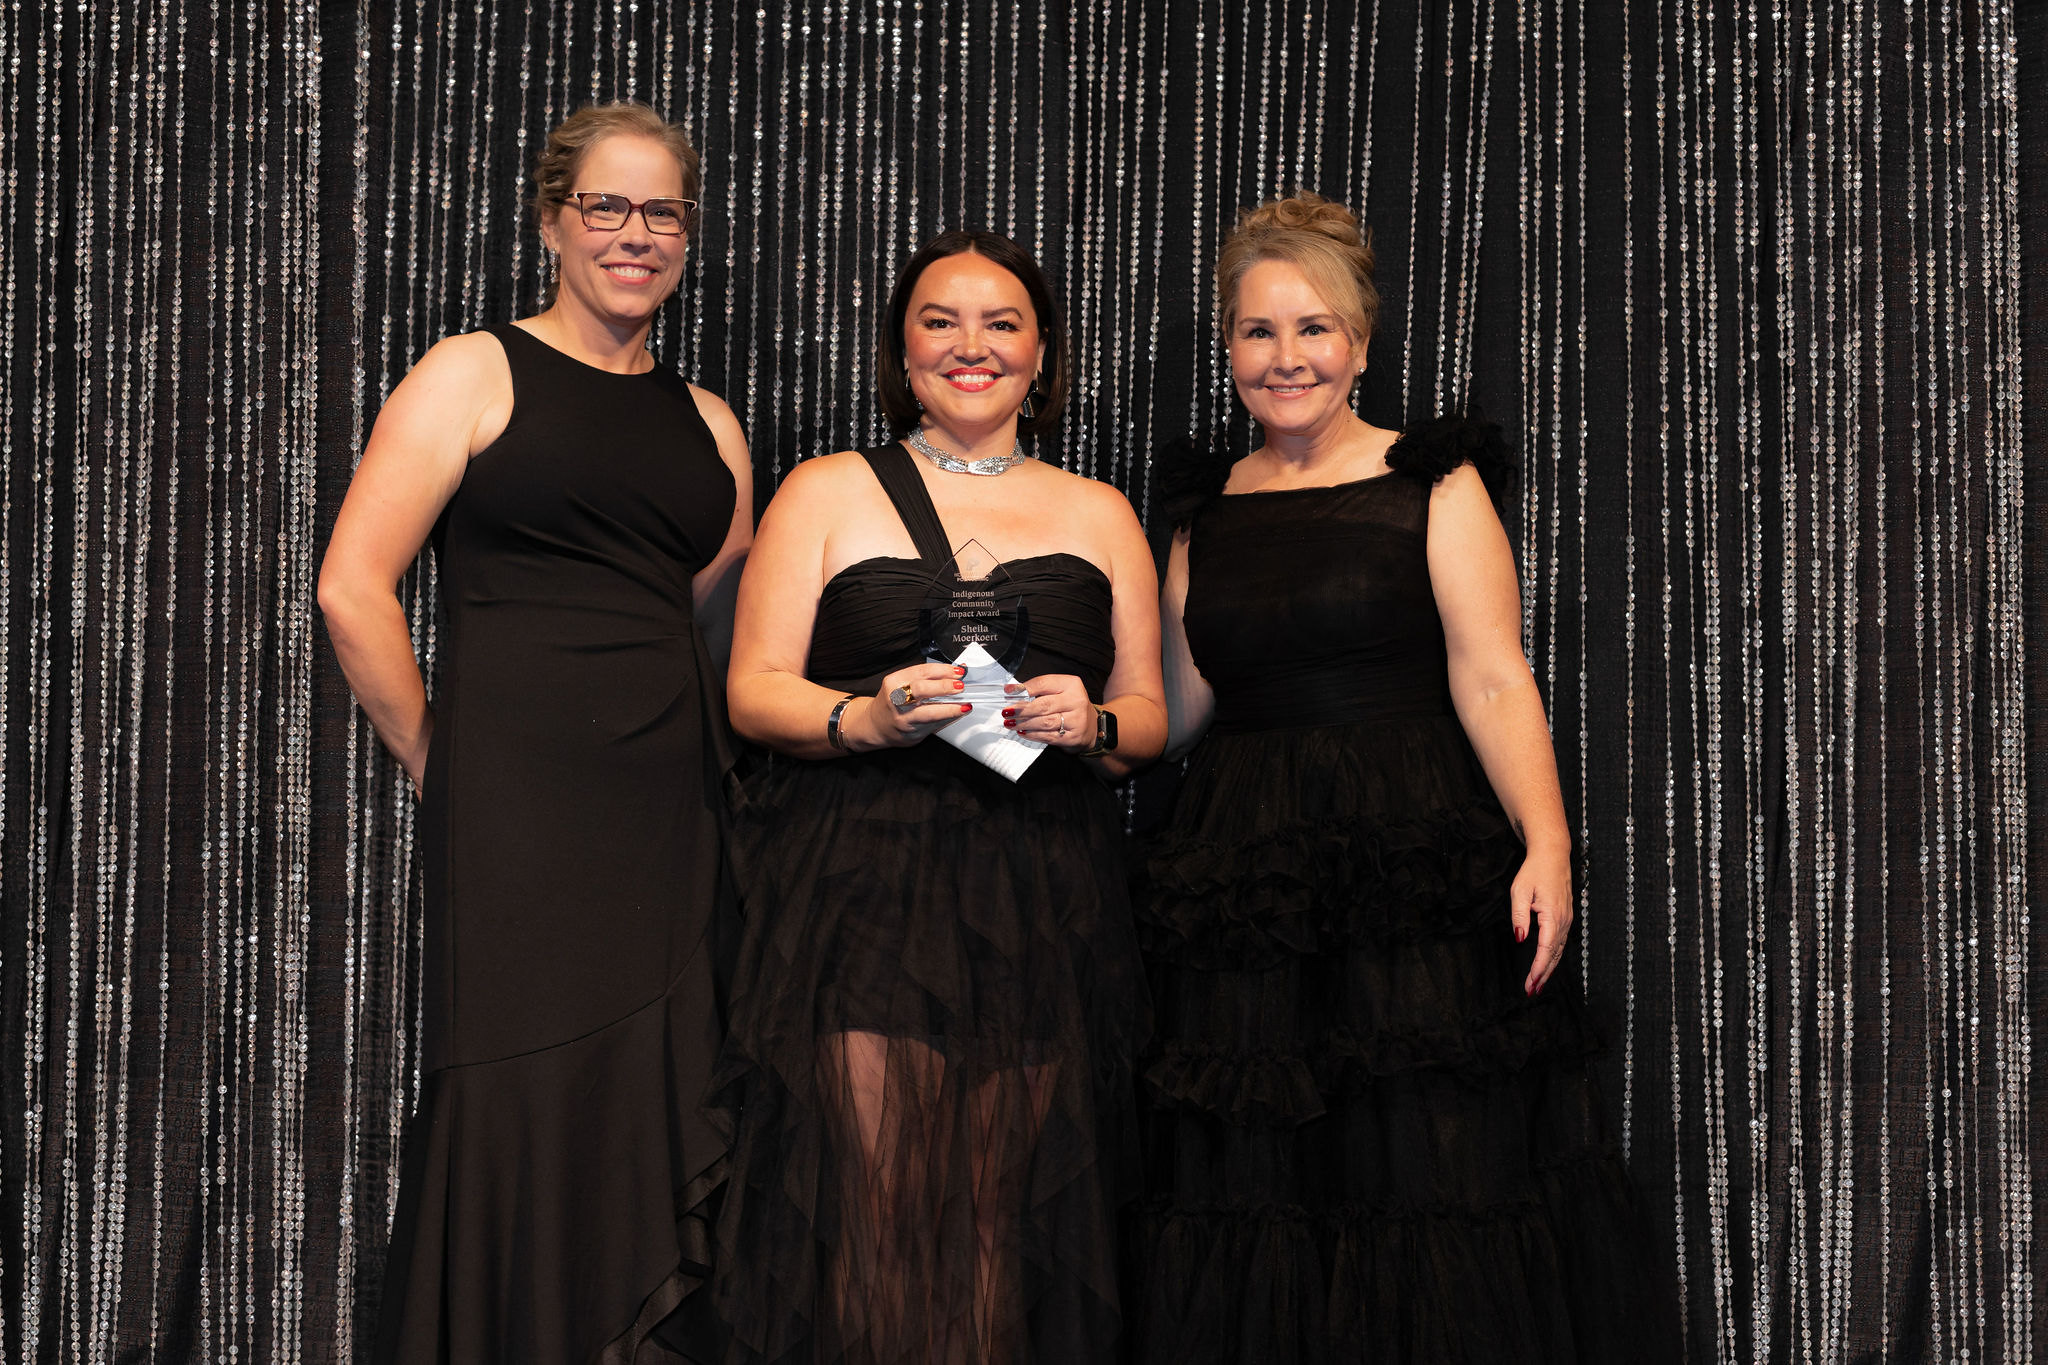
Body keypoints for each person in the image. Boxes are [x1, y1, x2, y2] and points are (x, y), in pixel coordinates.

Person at [1129, 193, 1678, 1363]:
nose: (1285, 359)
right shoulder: (1199, 509)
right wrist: (1062, 718)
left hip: (1406, 860)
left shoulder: (1431, 480)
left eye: (1312, 329)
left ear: (1361, 343)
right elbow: (1178, 714)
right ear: (1225, 347)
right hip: (1246, 877)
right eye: (1257, 332)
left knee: (1424, 1169)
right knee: (1270, 1183)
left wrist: (1546, 844)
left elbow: (1491, 677)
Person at [318, 102, 753, 1364]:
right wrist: (438, 759)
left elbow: (701, 614)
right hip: (512, 807)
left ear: (686, 235)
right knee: (515, 1085)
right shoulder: (472, 370)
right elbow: (352, 589)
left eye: (661, 211)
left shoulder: (712, 425)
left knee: (659, 1096)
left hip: (670, 816)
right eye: (607, 206)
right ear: (553, 219)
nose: (635, 234)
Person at [710, 230, 1166, 1363]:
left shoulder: (1101, 511)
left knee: (993, 1225)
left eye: (1000, 322)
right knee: (876, 1221)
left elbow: (1147, 720)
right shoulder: (824, 488)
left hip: (1039, 897)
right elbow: (752, 690)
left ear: (1041, 353)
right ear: (900, 348)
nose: (971, 345)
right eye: (940, 320)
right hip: (857, 893)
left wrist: (1090, 720)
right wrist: (858, 716)